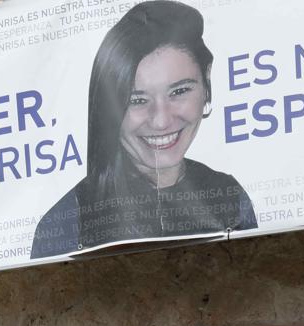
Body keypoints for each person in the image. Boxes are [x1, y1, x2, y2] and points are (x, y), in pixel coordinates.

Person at [30, 0, 257, 259]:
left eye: (179, 91)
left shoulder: (230, 196)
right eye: (137, 100)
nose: (161, 121)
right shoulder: (65, 223)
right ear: (108, 107)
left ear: (206, 82)